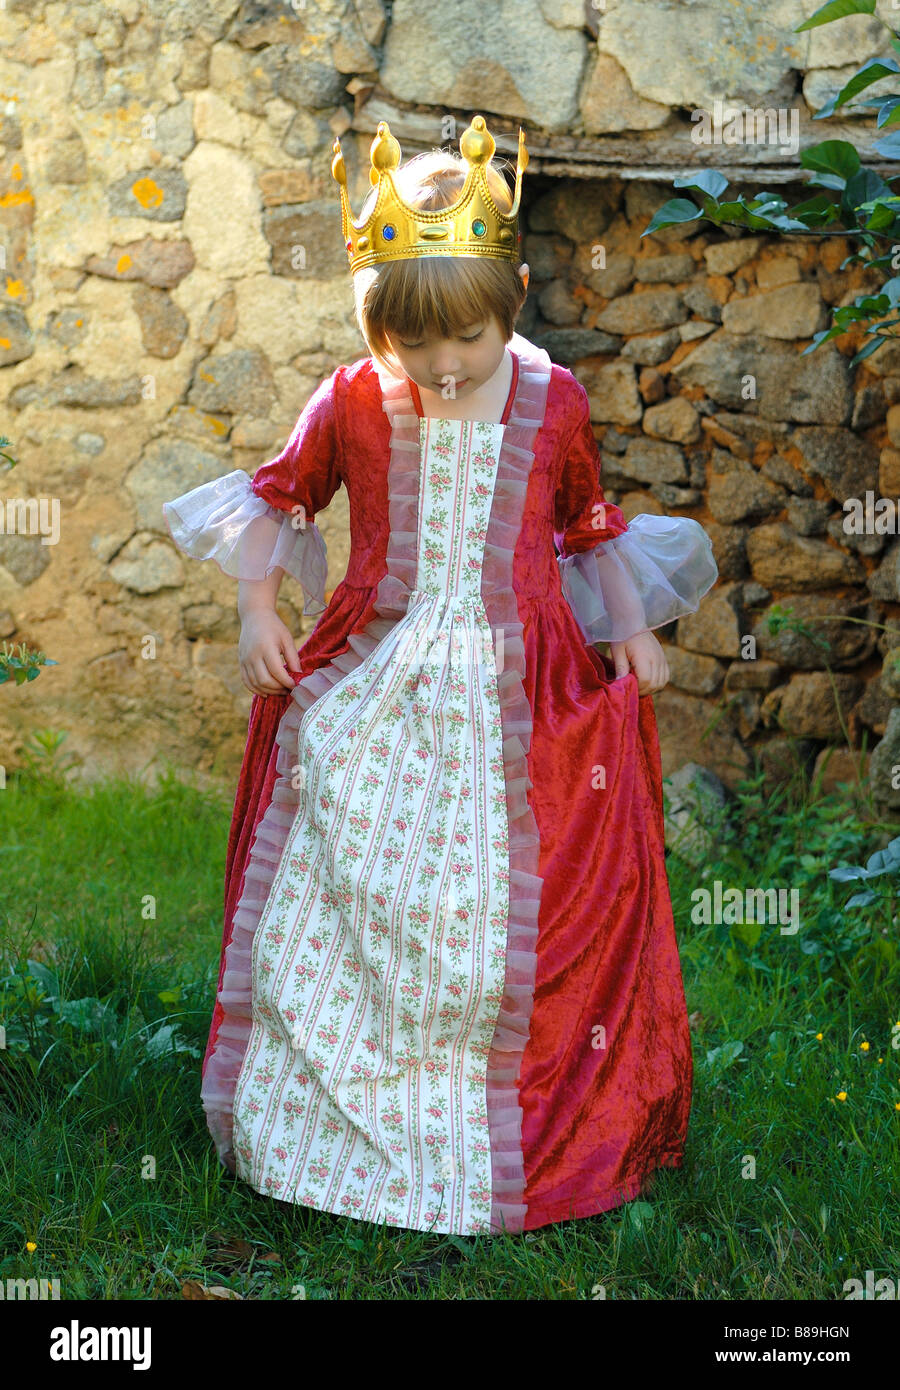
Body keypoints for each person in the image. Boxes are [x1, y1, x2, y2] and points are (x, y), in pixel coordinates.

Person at [161, 115, 718, 1236]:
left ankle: (488, 1113)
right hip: (378, 669)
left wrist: (632, 633)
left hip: (522, 682)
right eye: (417, 345)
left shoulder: (553, 399)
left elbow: (587, 527)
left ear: (512, 295)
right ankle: (328, 1114)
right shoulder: (356, 400)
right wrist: (258, 609)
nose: (446, 363)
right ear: (377, 326)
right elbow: (279, 503)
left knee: (519, 881)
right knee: (346, 853)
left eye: (465, 335)